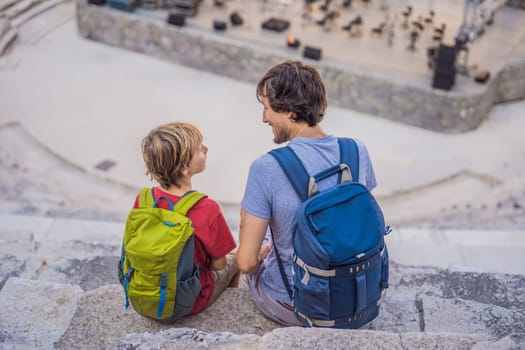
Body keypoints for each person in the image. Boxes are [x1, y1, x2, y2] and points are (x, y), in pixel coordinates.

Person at [236, 60, 378, 326]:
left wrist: (255, 257)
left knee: (252, 237)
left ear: (289, 112)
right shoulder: (358, 151)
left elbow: (245, 264)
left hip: (296, 305)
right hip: (355, 295)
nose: (264, 118)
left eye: (266, 109)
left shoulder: (266, 167)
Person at [137, 121, 239, 315]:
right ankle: (230, 308)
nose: (206, 149)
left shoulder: (143, 199)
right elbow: (219, 264)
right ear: (185, 168)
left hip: (144, 293)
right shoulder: (206, 207)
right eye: (199, 150)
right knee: (237, 258)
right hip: (187, 301)